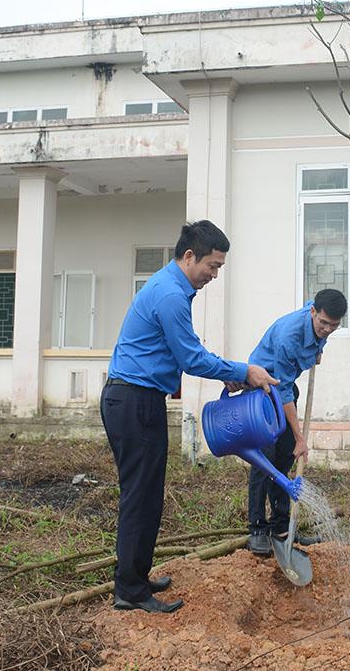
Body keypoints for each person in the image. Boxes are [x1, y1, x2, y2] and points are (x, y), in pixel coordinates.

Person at [102, 220, 278, 614]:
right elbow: (191, 357)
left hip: (136, 400)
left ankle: (136, 577)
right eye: (212, 266)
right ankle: (129, 591)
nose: (214, 275)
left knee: (147, 494)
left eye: (218, 268)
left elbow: (184, 354)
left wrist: (231, 376)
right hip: (134, 402)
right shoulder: (170, 295)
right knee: (140, 496)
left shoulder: (172, 288)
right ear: (188, 256)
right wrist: (242, 371)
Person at [243, 289, 348, 556]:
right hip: (262, 393)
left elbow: (291, 386)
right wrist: (301, 438)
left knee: (284, 460)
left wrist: (317, 350)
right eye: (323, 323)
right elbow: (285, 391)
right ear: (313, 311)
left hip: (284, 391)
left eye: (333, 326)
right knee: (262, 462)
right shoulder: (289, 335)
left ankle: (281, 526)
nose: (327, 329)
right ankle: (257, 528)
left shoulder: (322, 326)